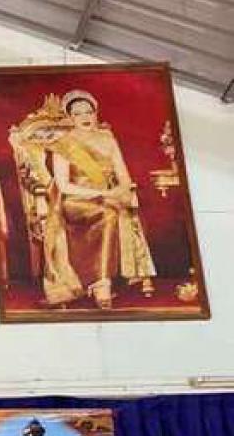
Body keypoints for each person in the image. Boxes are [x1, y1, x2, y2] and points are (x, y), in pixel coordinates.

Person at [49, 90, 156, 307]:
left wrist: (122, 191)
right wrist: (105, 194)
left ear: (96, 113)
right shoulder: (63, 144)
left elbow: (124, 177)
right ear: (69, 117)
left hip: (106, 198)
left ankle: (103, 280)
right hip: (75, 202)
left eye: (89, 112)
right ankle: (101, 283)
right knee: (108, 213)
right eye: (78, 114)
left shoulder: (107, 139)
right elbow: (64, 186)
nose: (85, 117)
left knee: (117, 210)